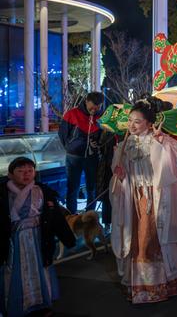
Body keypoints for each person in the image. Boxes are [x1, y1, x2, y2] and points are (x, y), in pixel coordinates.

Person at [110, 98, 177, 304]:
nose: (132, 125)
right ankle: (140, 286)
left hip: (155, 199)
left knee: (150, 239)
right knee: (135, 240)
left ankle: (158, 285)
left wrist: (160, 147)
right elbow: (120, 174)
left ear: (150, 123)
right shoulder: (125, 144)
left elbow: (173, 172)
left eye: (137, 121)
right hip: (133, 198)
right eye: (130, 121)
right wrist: (120, 174)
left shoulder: (162, 142)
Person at [1, 157, 76, 316]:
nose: (26, 174)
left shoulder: (43, 191)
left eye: (30, 170)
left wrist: (68, 238)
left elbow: (55, 218)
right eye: (20, 171)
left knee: (40, 270)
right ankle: (17, 306)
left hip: (38, 238)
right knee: (14, 273)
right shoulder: (3, 193)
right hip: (14, 241)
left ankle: (40, 304)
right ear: (10, 174)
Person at [58, 91, 104, 214]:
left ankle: (90, 216)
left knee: (92, 188)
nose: (94, 110)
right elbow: (62, 134)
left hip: (92, 157)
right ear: (86, 101)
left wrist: (98, 144)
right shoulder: (72, 114)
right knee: (72, 188)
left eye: (97, 107)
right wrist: (70, 147)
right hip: (73, 157)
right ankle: (71, 216)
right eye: (92, 107)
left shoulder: (102, 117)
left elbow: (104, 137)